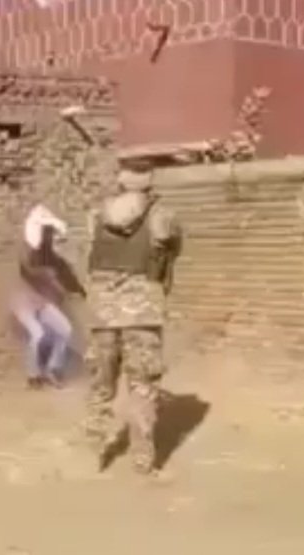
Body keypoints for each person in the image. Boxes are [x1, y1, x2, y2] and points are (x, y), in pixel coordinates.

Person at [84, 169, 182, 475]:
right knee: (142, 386)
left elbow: (91, 257)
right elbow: (172, 253)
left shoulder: (97, 215)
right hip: (142, 311)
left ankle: (94, 455)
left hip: (102, 311)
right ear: (150, 186)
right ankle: (143, 461)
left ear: (120, 184)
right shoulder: (163, 216)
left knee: (100, 385)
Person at [11, 204, 85, 389]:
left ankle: (53, 369)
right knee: (38, 334)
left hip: (43, 301)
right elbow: (29, 272)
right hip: (24, 301)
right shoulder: (27, 251)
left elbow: (66, 274)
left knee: (65, 330)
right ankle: (33, 375)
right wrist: (50, 279)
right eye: (48, 232)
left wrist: (78, 290)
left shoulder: (51, 256)